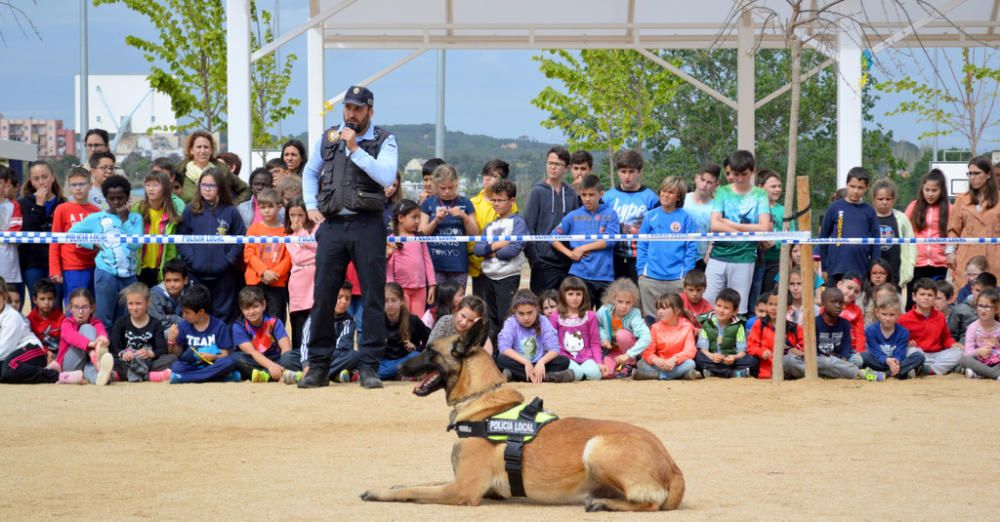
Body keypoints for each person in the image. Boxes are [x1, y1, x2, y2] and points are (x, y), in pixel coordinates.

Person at [299, 85, 398, 389]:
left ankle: (369, 366)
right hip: (332, 225)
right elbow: (310, 172)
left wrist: (356, 149)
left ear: (370, 110)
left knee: (372, 297)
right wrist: (311, 206)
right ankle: (317, 366)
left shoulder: (384, 140)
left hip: (368, 224)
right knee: (324, 296)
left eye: (357, 108)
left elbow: (386, 176)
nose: (351, 113)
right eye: (348, 108)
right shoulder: (329, 137)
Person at [68, 176, 143, 328]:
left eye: (120, 198)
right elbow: (72, 233)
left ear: (128, 197)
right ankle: (103, 350)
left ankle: (122, 350)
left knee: (128, 317)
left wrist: (124, 220)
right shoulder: (97, 218)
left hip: (129, 275)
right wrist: (92, 244)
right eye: (111, 198)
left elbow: (136, 245)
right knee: (104, 317)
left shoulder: (136, 218)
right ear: (105, 198)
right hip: (105, 272)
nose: (116, 202)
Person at [704, 151, 771, 314]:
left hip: (745, 257)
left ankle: (735, 339)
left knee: (738, 306)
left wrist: (733, 224)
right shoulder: (723, 192)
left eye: (744, 174)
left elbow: (763, 227)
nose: (740, 179)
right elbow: (715, 224)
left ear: (753, 171)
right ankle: (707, 338)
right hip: (718, 255)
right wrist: (747, 230)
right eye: (736, 174)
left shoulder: (760, 195)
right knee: (708, 302)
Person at [177, 168, 246, 323]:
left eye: (212, 185)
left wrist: (228, 259)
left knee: (224, 317)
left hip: (224, 275)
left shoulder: (231, 211)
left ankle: (223, 347)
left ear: (220, 187)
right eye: (204, 185)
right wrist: (191, 259)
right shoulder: (190, 210)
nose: (207, 189)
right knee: (199, 314)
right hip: (196, 273)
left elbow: (240, 238)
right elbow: (181, 238)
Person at [784, 287, 880, 381]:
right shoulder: (814, 323)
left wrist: (843, 359)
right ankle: (856, 373)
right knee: (791, 361)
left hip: (839, 360)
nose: (838, 305)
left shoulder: (845, 323)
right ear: (823, 304)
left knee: (857, 360)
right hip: (819, 360)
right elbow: (812, 351)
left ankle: (831, 373)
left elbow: (846, 348)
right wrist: (827, 360)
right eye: (833, 302)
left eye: (840, 303)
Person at [472, 179, 527, 342]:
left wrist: (491, 251)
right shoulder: (489, 226)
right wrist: (497, 245)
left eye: (501, 200)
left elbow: (514, 249)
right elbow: (478, 249)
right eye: (494, 200)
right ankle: (492, 352)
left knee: (506, 318)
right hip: (488, 277)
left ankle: (507, 352)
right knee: (490, 319)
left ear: (512, 201)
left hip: (507, 277)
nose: (496, 204)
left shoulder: (518, 222)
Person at [637, 176, 699, 318]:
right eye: (663, 191)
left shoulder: (686, 218)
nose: (665, 195)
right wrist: (641, 272)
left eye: (670, 192)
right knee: (652, 321)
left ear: (679, 196)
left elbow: (691, 248)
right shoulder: (649, 216)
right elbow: (642, 245)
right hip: (650, 278)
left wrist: (686, 275)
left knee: (676, 319)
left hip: (677, 279)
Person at [551, 174, 619, 304]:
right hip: (579, 275)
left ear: (601, 194)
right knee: (580, 317)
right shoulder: (573, 216)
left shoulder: (610, 214)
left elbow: (611, 240)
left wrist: (582, 248)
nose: (587, 199)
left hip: (604, 275)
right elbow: (552, 237)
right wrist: (570, 253)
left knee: (604, 319)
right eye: (583, 195)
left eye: (591, 195)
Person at [525, 146, 580, 294]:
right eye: (550, 163)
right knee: (543, 308)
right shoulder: (537, 192)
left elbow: (577, 225)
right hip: (543, 263)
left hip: (568, 262)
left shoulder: (571, 194)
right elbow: (529, 227)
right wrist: (535, 260)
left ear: (567, 168)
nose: (553, 167)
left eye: (557, 164)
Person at [419, 164, 478, 292]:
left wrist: (464, 217)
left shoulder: (465, 202)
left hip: (458, 265)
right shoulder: (428, 203)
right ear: (436, 186)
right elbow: (421, 233)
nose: (446, 191)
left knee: (456, 303)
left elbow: (475, 233)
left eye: (450, 187)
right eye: (442, 188)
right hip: (434, 265)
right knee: (436, 305)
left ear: (456, 183)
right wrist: (435, 221)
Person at [604, 150, 659, 283]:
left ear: (639, 172)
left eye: (631, 171)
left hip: (640, 257)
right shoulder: (608, 197)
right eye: (623, 171)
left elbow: (658, 227)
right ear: (618, 172)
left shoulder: (650, 197)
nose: (627, 176)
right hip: (612, 256)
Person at [496, 289, 574, 383]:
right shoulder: (511, 322)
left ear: (537, 309)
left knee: (564, 361)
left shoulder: (543, 321)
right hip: (519, 363)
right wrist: (526, 362)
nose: (526, 318)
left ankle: (516, 376)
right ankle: (547, 377)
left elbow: (554, 349)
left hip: (540, 364)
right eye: (521, 313)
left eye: (530, 313)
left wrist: (541, 362)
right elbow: (504, 348)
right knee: (501, 359)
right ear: (514, 311)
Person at [818, 167, 880, 286]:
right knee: (834, 302)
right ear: (847, 185)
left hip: (860, 269)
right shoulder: (834, 207)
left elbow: (876, 242)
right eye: (852, 186)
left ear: (867, 188)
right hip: (835, 268)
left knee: (857, 303)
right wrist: (825, 268)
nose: (856, 191)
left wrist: (873, 268)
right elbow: (823, 238)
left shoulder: (869, 211)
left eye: (860, 187)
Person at [169, 284, 240, 384]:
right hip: (192, 365)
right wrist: (172, 340)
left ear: (201, 312)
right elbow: (178, 354)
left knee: (230, 362)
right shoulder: (183, 325)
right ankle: (219, 377)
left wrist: (213, 357)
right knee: (176, 366)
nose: (184, 316)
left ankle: (184, 378)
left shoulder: (219, 326)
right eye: (183, 312)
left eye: (187, 312)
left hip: (213, 364)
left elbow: (225, 354)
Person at [468, 159, 517, 300]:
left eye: (493, 176)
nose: (487, 178)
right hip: (478, 268)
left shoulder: (510, 206)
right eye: (485, 174)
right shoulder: (472, 203)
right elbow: (472, 238)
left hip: (502, 267)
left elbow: (509, 235)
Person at [48, 166, 98, 304]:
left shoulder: (96, 212)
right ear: (69, 187)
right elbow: (55, 241)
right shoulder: (62, 209)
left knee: (92, 305)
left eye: (82, 184)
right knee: (74, 306)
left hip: (93, 266)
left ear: (90, 185)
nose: (78, 188)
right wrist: (55, 269)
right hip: (71, 266)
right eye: (74, 185)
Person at [948, 155, 1000, 284]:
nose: (972, 177)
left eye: (977, 173)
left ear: (988, 175)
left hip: (994, 258)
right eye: (970, 173)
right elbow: (953, 230)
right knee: (964, 297)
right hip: (967, 257)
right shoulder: (962, 200)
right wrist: (950, 251)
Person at [295, 282, 360, 384]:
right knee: (287, 358)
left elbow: (342, 347)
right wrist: (306, 365)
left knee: (354, 356)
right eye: (339, 297)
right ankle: (334, 375)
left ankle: (314, 375)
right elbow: (305, 344)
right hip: (314, 357)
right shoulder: (315, 317)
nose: (344, 302)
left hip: (333, 356)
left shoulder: (349, 322)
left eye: (347, 298)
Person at [18, 161, 65, 304]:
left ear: (52, 177)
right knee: (37, 304)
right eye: (36, 178)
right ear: (31, 181)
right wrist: (39, 205)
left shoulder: (63, 203)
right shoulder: (24, 203)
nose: (41, 182)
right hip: (32, 262)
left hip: (57, 261)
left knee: (55, 303)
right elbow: (28, 231)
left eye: (44, 177)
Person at [109, 282, 176, 382]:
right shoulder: (121, 322)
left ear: (148, 302)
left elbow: (162, 348)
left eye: (138, 304)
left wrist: (150, 353)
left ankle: (123, 376)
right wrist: (123, 353)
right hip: (127, 361)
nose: (134, 308)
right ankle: (150, 376)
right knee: (109, 358)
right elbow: (114, 345)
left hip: (148, 362)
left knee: (172, 359)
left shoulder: (155, 323)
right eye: (130, 304)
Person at [231, 286, 298, 383]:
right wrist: (271, 366)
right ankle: (279, 375)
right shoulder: (238, 326)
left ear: (263, 305)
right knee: (235, 358)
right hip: (256, 360)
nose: (252, 312)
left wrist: (281, 366)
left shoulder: (274, 322)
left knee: (289, 357)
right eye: (247, 308)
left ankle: (267, 375)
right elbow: (251, 352)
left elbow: (286, 347)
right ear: (241, 310)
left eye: (255, 306)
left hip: (277, 359)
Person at [0, 276, 60, 384]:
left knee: (10, 367)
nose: (46, 302)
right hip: (10, 356)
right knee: (6, 370)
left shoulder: (11, 316)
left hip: (32, 350)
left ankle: (51, 374)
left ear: (4, 297)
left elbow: (5, 349)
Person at [905, 169, 950, 307]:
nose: (930, 194)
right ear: (922, 189)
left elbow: (954, 234)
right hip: (917, 264)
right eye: (927, 190)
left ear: (941, 190)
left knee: (935, 303)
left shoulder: (949, 209)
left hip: (939, 264)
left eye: (934, 190)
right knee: (913, 302)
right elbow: (904, 230)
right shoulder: (914, 206)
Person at [899, 278, 963, 376]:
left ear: (934, 298)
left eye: (930, 295)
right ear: (914, 297)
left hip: (937, 354)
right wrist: (907, 342)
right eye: (922, 294)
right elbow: (898, 340)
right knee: (912, 351)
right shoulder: (904, 319)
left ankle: (929, 370)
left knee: (958, 353)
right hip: (918, 354)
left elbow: (946, 338)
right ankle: (935, 368)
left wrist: (953, 344)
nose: (926, 298)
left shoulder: (940, 316)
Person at [243, 188, 291, 320]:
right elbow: (248, 254)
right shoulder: (253, 229)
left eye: (270, 206)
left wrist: (274, 274)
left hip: (277, 283)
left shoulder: (285, 231)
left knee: (276, 320)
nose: (267, 210)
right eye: (263, 207)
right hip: (255, 282)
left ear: (279, 207)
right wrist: (264, 272)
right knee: (254, 318)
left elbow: (289, 258)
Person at [133, 171, 185, 288]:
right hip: (139, 268)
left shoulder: (174, 212)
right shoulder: (137, 209)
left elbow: (175, 245)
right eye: (148, 185)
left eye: (155, 185)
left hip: (164, 269)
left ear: (165, 188)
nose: (151, 189)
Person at [634, 293, 701, 381]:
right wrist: (656, 360)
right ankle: (681, 375)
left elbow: (690, 350)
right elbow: (648, 351)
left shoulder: (687, 326)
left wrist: (674, 360)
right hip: (659, 364)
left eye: (664, 308)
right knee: (641, 363)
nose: (660, 311)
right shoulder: (655, 327)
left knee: (690, 364)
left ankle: (657, 375)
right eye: (658, 308)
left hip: (677, 363)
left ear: (677, 311)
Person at [387, 199, 437, 318]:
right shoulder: (392, 239)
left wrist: (432, 285)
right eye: (414, 217)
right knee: (402, 321)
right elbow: (388, 267)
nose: (418, 221)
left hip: (420, 289)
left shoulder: (419, 238)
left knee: (417, 321)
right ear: (401, 218)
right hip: (400, 289)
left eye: (419, 217)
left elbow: (427, 262)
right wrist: (391, 288)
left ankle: (415, 338)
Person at [549, 277, 604, 381]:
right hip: (565, 357)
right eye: (570, 294)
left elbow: (595, 343)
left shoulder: (590, 316)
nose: (574, 298)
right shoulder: (556, 315)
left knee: (595, 375)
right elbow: (552, 341)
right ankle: (577, 373)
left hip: (586, 357)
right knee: (577, 373)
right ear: (563, 295)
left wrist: (599, 363)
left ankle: (580, 373)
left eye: (578, 294)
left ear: (584, 296)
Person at [695, 288, 758, 378]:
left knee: (752, 361)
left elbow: (742, 351)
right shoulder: (707, 323)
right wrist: (712, 355)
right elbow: (703, 348)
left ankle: (716, 372)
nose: (721, 310)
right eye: (719, 305)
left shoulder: (738, 326)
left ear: (735, 311)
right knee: (698, 357)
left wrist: (734, 357)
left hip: (731, 360)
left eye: (726, 308)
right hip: (713, 359)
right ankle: (733, 374)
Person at [57, 288, 114, 385]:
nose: (80, 311)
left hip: (88, 363)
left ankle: (100, 378)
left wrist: (103, 339)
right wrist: (90, 346)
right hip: (70, 366)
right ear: (70, 308)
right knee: (86, 328)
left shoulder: (96, 322)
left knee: (90, 367)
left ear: (92, 308)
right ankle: (96, 358)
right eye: (76, 307)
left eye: (84, 307)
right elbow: (72, 337)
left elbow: (102, 332)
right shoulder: (66, 323)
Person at [861, 294, 925, 380]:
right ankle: (901, 372)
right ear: (877, 313)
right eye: (884, 314)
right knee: (864, 356)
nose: (888, 318)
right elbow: (876, 353)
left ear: (898, 314)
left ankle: (884, 374)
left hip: (896, 362)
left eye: (892, 315)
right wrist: (887, 361)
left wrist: (894, 361)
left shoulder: (903, 332)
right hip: (879, 361)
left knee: (919, 356)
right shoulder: (870, 330)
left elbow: (900, 354)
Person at [596, 277, 651, 378]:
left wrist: (628, 355)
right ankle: (622, 367)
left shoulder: (635, 314)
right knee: (609, 373)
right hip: (613, 352)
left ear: (633, 302)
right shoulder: (604, 311)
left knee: (622, 335)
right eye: (620, 302)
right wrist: (603, 338)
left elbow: (646, 337)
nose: (624, 306)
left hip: (627, 353)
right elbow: (597, 325)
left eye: (628, 302)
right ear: (613, 299)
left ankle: (630, 364)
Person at [177, 130, 250, 204]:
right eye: (199, 147)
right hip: (189, 215)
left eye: (206, 147)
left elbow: (246, 190)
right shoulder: (181, 170)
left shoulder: (222, 169)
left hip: (218, 215)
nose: (203, 151)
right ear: (191, 150)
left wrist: (232, 207)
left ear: (211, 150)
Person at [747, 288, 803, 379]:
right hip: (765, 369)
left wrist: (798, 351)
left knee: (791, 361)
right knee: (750, 360)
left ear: (788, 308)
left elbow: (804, 349)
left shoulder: (795, 328)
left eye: (777, 305)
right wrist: (762, 352)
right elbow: (751, 346)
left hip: (787, 370)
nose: (773, 308)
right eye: (770, 304)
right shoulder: (760, 324)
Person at [379, 283, 431, 380]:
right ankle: (397, 373)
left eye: (394, 300)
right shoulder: (378, 321)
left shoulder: (413, 320)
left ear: (402, 301)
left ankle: (391, 374)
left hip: (405, 361)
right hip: (385, 362)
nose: (390, 305)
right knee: (364, 359)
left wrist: (417, 348)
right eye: (386, 301)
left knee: (416, 356)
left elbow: (431, 339)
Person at [871, 178, 915, 291]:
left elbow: (911, 244)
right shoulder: (868, 218)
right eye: (880, 199)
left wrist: (909, 267)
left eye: (888, 199)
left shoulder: (901, 218)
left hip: (895, 271)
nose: (884, 202)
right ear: (874, 199)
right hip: (872, 272)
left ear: (893, 199)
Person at [285, 198, 316, 351]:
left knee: (316, 326)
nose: (296, 220)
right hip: (298, 287)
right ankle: (297, 362)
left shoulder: (316, 229)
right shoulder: (288, 236)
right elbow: (297, 257)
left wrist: (302, 233)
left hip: (316, 284)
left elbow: (321, 248)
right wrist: (315, 253)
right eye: (292, 215)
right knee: (299, 326)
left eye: (300, 215)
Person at [426, 294, 495, 357]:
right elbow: (430, 346)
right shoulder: (445, 321)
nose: (464, 322)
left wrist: (479, 327)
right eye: (463, 316)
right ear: (457, 310)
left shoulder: (474, 331)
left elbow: (488, 354)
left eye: (470, 320)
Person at [684, 163, 722, 271]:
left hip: (702, 259)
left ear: (716, 184)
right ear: (696, 178)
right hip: (680, 256)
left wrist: (706, 260)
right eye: (702, 179)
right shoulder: (682, 201)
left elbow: (714, 237)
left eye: (709, 182)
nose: (704, 185)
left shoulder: (716, 208)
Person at [960, 288, 1000, 379]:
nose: (983, 310)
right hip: (979, 362)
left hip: (996, 361)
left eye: (987, 307)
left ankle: (981, 374)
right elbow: (967, 353)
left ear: (996, 309)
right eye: (980, 306)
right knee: (964, 359)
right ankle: (995, 374)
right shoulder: (972, 328)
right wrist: (979, 351)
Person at [149, 258, 189, 346]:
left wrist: (172, 317)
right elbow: (160, 326)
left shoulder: (191, 292)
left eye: (176, 280)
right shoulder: (154, 295)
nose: (172, 285)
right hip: (163, 336)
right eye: (168, 280)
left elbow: (194, 321)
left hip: (187, 333)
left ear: (185, 280)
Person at [951, 272, 996, 343]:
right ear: (972, 289)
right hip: (965, 349)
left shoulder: (996, 309)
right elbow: (950, 336)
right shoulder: (960, 310)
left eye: (985, 292)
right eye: (977, 290)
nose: (980, 294)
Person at [0, 166, 22, 301]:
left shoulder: (14, 206)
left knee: (9, 301)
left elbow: (15, 232)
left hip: (8, 265)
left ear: (7, 183)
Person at [26, 278, 62, 359]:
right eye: (42, 299)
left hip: (58, 355)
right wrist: (46, 352)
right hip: (38, 355)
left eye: (50, 298)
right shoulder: (29, 320)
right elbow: (30, 344)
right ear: (35, 300)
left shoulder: (61, 318)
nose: (46, 302)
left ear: (55, 299)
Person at [836, 273, 866, 353]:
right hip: (832, 347)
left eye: (856, 292)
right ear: (839, 284)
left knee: (859, 360)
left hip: (851, 350)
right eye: (849, 288)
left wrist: (860, 353)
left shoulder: (857, 311)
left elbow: (860, 334)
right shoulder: (828, 305)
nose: (852, 293)